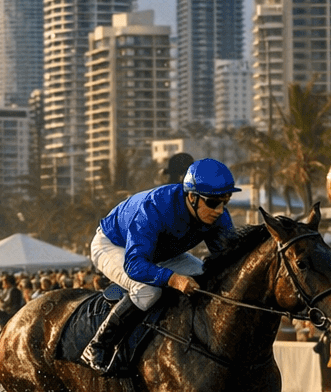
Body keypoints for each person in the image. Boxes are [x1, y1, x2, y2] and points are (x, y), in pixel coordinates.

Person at [81, 158, 240, 375]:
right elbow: (135, 264)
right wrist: (173, 279)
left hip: (161, 253)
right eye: (213, 203)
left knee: (207, 276)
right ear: (192, 197)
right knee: (148, 289)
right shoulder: (155, 208)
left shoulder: (217, 214)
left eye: (226, 201)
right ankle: (98, 345)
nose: (220, 211)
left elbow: (230, 259)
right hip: (114, 245)